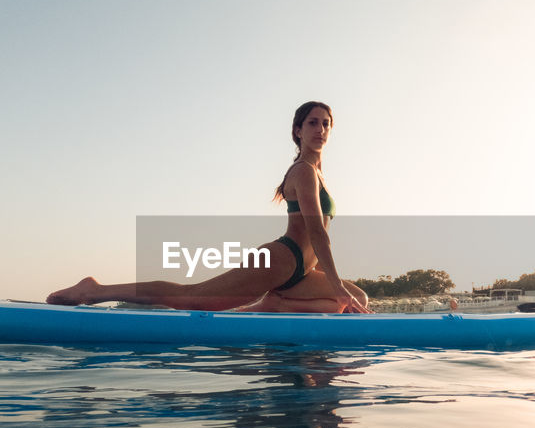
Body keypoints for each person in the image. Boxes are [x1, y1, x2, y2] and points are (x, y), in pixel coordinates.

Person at [47, 101, 372, 313]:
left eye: (326, 123)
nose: (321, 129)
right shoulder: (302, 171)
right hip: (281, 260)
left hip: (302, 271)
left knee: (354, 301)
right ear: (298, 131)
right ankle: (95, 290)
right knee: (191, 298)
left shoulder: (318, 173)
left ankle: (271, 304)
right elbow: (315, 230)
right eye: (313, 123)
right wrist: (335, 282)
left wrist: (335, 285)